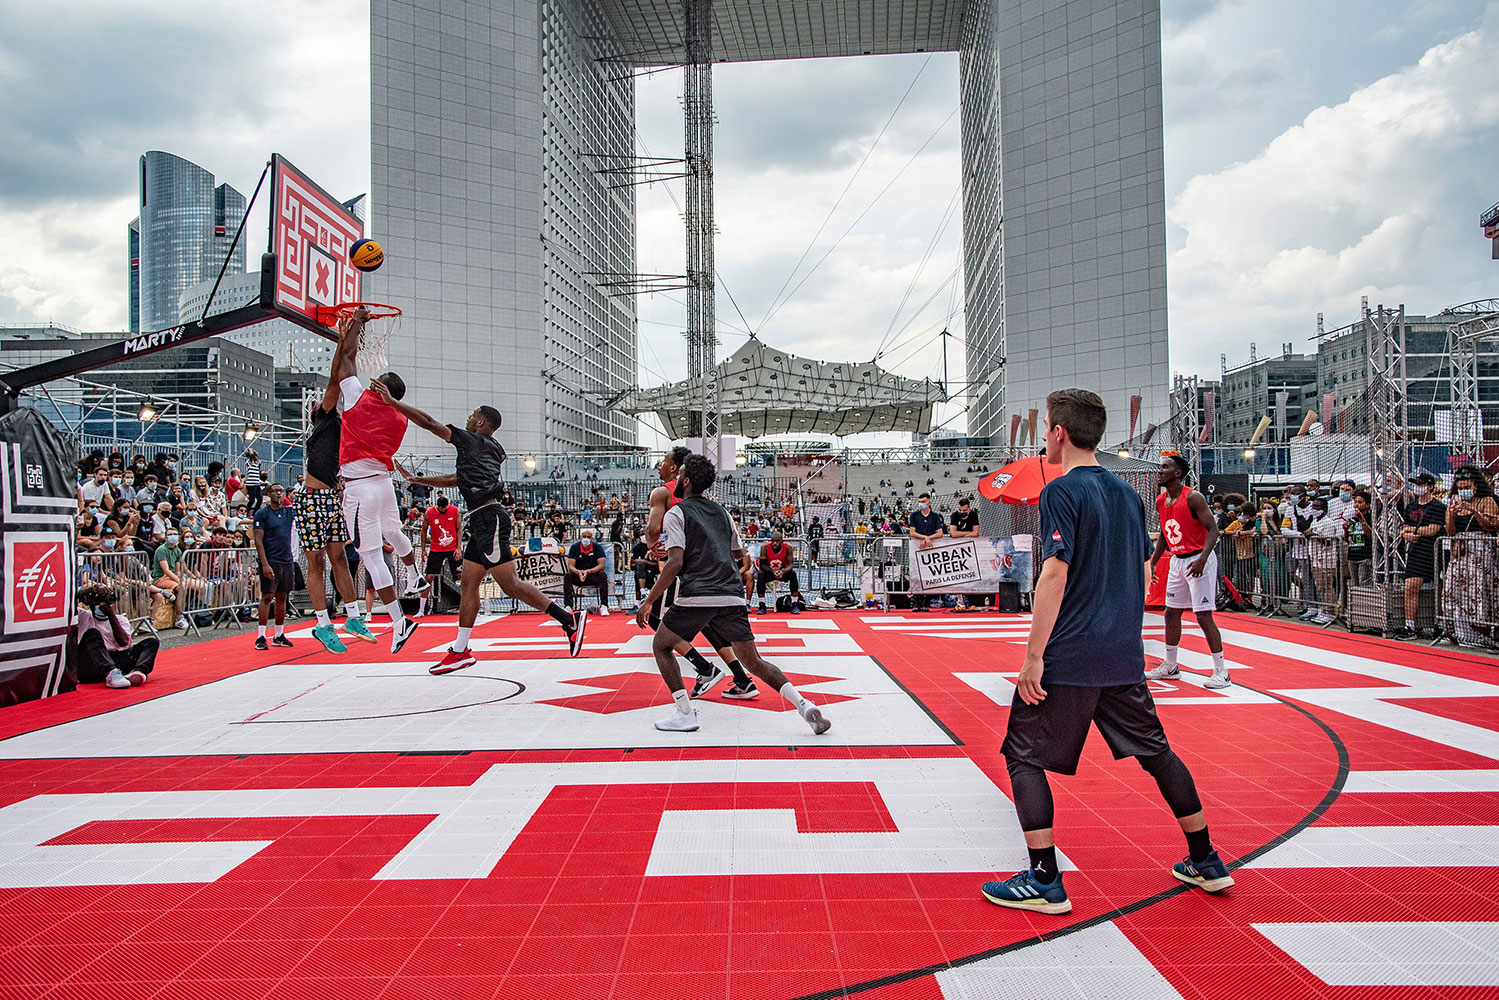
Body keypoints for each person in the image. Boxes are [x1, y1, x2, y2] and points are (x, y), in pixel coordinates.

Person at [982, 389, 1230, 915]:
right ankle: (1205, 857)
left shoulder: (1061, 492)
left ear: (1059, 433)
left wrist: (1033, 657)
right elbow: (1144, 571)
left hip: (1070, 656)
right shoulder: (1128, 494)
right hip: (1122, 654)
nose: (1046, 433)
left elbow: (1054, 573)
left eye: (1047, 426)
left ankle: (1046, 879)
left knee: (1023, 756)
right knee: (1157, 753)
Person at [377, 391, 587, 673]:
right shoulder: (492, 448)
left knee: (510, 585)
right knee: (468, 586)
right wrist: (419, 480)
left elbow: (428, 422)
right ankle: (461, 651)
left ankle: (568, 619)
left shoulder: (471, 440)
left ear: (480, 422)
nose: (468, 416)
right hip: (482, 520)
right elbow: (459, 478)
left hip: (489, 519)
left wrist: (393, 403)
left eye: (473, 413)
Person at [636, 454, 830, 733]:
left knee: (661, 645)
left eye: (679, 475)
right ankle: (804, 704)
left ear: (687, 481)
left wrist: (649, 600)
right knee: (753, 660)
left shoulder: (677, 513)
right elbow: (738, 553)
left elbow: (676, 563)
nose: (675, 478)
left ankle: (684, 713)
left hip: (697, 593)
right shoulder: (722, 512)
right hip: (731, 594)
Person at [332, 309, 430, 655]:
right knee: (395, 533)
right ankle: (415, 574)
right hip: (384, 483)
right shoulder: (400, 418)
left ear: (379, 386)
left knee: (371, 557)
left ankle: (399, 621)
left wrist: (355, 325)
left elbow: (345, 358)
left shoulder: (359, 395)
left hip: (359, 487)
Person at [643, 447, 758, 699]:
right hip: (714, 572)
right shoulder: (708, 499)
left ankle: (704, 668)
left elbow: (652, 530)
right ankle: (741, 678)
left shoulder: (663, 492)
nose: (659, 467)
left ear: (676, 469)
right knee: (708, 622)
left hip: (684, 570)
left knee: (657, 622)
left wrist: (654, 547)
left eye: (663, 462)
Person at [295, 313, 375, 653]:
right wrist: (343, 335)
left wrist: (358, 330)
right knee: (317, 561)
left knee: (340, 558)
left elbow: (349, 367)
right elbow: (335, 376)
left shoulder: (347, 425)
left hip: (330, 498)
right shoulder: (325, 418)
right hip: (311, 497)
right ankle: (323, 624)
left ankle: (353, 615)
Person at [1145, 454, 1230, 688]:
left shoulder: (1193, 497)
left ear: (1178, 473)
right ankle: (1170, 666)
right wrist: (1154, 560)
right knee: (1171, 613)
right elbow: (1165, 531)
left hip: (1197, 559)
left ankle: (1221, 670)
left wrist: (1203, 558)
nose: (1159, 471)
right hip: (1177, 560)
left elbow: (1213, 530)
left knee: (1203, 615)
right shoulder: (1162, 500)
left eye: (1165, 467)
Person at [1444, 465, 1499, 647]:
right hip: (1460, 554)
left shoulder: (1487, 500)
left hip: (1480, 552)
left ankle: (1483, 633)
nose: (1464, 491)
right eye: (1461, 487)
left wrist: (1474, 511)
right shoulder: (1453, 503)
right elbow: (1450, 531)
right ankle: (1462, 633)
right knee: (1455, 591)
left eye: (1467, 487)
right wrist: (1451, 515)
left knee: (1479, 591)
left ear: (1476, 485)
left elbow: (1490, 526)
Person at [1395, 471, 1447, 639]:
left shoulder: (1438, 506)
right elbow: (1404, 528)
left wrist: (1413, 530)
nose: (1417, 487)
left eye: (1421, 484)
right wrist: (1406, 534)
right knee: (1410, 586)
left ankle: (1442, 625)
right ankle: (1410, 625)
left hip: (1433, 551)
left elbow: (1433, 530)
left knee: (1440, 588)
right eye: (1415, 484)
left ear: (1430, 486)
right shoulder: (1411, 506)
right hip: (1416, 550)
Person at [74, 584, 158, 688]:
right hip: (92, 664)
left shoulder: (121, 619)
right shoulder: (84, 616)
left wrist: (111, 616)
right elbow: (67, 599)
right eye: (98, 602)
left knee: (152, 642)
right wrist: (88, 590)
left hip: (116, 661)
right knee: (92, 633)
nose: (100, 605)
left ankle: (139, 673)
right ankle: (111, 673)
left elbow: (123, 642)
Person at [253, 483, 297, 650]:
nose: (279, 494)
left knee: (282, 596)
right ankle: (261, 636)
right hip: (270, 560)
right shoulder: (262, 513)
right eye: (276, 491)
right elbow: (258, 540)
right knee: (267, 596)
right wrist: (264, 564)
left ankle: (279, 634)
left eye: (281, 491)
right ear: (269, 494)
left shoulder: (289, 511)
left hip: (286, 559)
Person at [907, 492, 946, 611]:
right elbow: (912, 532)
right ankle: (916, 601)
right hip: (917, 546)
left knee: (929, 574)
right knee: (916, 574)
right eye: (920, 502)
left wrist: (929, 538)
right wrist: (924, 537)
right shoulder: (914, 515)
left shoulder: (935, 516)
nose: (921, 504)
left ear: (929, 502)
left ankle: (925, 602)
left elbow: (940, 532)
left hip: (930, 548)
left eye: (923, 502)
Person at [423, 494, 462, 609]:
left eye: (445, 510)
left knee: (461, 575)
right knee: (429, 577)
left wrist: (459, 547)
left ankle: (468, 604)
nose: (443, 512)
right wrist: (423, 549)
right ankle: (422, 608)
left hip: (452, 548)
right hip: (436, 549)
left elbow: (459, 529)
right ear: (438, 507)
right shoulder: (429, 513)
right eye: (441, 510)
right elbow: (424, 531)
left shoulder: (454, 510)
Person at [755, 529, 801, 614]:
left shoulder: (788, 547)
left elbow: (791, 565)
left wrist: (782, 571)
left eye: (777, 541)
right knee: (760, 574)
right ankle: (761, 604)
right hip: (770, 572)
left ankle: (794, 604)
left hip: (782, 572)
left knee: (793, 574)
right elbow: (762, 565)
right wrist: (773, 572)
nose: (774, 543)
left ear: (782, 541)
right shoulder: (765, 547)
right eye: (772, 541)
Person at [565, 528, 610, 612]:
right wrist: (578, 572)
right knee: (568, 575)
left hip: (592, 576)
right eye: (584, 536)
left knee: (602, 575)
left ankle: (604, 605)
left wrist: (588, 571)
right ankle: (568, 605)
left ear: (592, 538)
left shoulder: (597, 547)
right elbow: (571, 566)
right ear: (581, 537)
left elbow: (602, 565)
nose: (586, 538)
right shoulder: (574, 547)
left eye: (588, 537)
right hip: (579, 576)